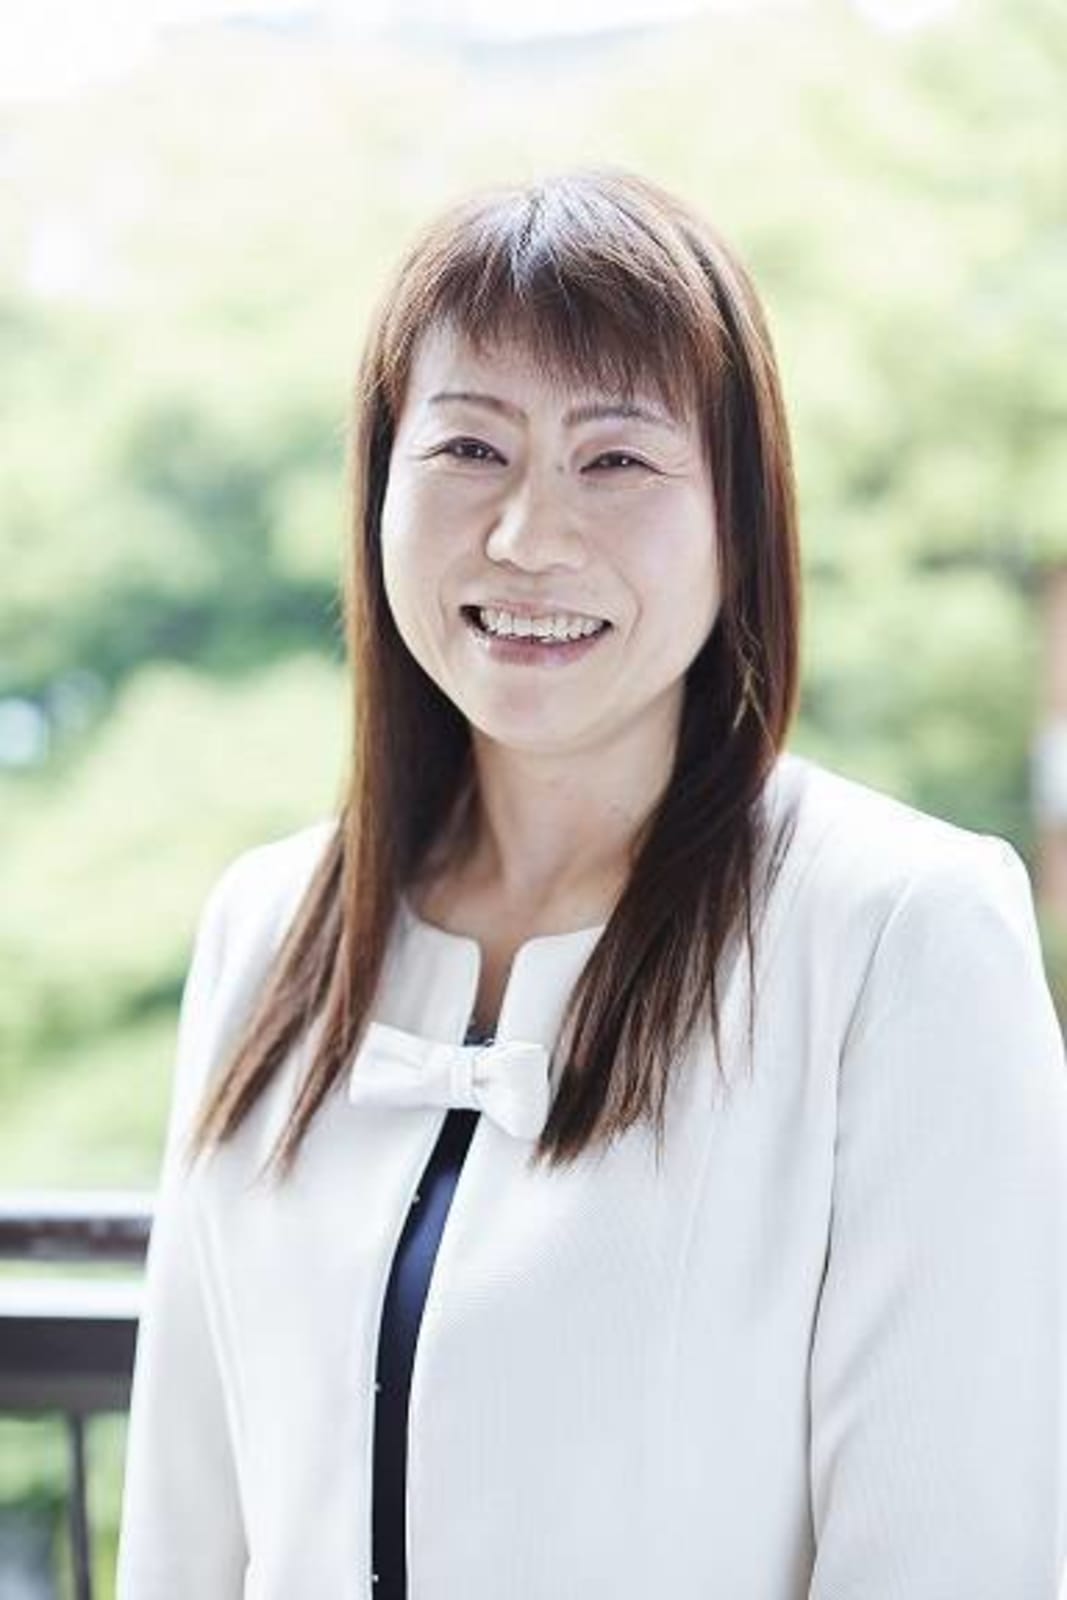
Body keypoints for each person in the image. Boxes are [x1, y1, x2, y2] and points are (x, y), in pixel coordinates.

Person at [115, 166, 1067, 1599]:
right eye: (469, 448)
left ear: (738, 518)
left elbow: (951, 1563)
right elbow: (184, 1541)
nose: (527, 537)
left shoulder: (899, 933)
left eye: (615, 460)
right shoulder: (268, 928)